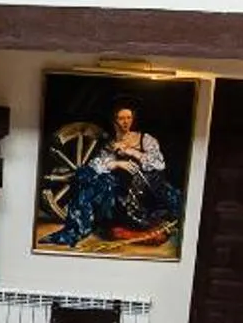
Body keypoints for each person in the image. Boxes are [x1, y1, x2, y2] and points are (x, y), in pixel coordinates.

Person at [46, 105, 182, 248]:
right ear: (114, 121)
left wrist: (131, 152)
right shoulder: (111, 144)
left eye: (129, 117)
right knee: (91, 176)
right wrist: (117, 163)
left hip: (146, 193)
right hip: (121, 195)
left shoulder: (145, 139)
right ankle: (77, 228)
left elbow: (159, 164)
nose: (125, 122)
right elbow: (97, 165)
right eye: (121, 118)